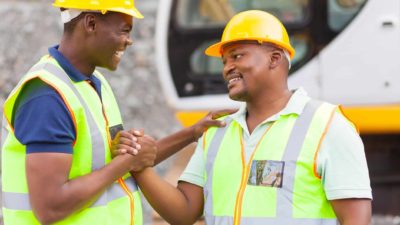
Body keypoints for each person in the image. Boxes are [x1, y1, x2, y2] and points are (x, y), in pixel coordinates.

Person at [124, 10, 372, 225]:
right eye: (224, 61)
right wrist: (139, 167)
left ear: (274, 59)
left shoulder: (328, 125)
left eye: (237, 56)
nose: (227, 68)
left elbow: (356, 219)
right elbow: (184, 212)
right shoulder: (218, 131)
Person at [0, 1, 232, 224]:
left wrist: (193, 132)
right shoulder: (48, 97)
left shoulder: (92, 83)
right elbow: (50, 208)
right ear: (91, 23)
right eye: (124, 30)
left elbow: (124, 163)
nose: (129, 41)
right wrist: (126, 162)